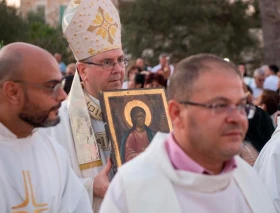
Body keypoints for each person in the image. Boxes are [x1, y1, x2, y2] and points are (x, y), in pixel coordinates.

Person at [100, 54, 276, 213]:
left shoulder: (247, 177)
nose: (237, 118)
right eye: (219, 106)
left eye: (240, 106)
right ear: (176, 113)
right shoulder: (131, 189)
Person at [41, 0, 124, 212]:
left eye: (121, 60)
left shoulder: (142, 110)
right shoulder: (56, 123)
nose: (118, 69)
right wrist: (90, 187)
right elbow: (44, 186)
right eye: (107, 62)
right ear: (83, 70)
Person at [0, 42, 92, 213]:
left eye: (61, 86)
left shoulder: (54, 153)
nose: (63, 96)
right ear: (13, 92)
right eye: (51, 87)